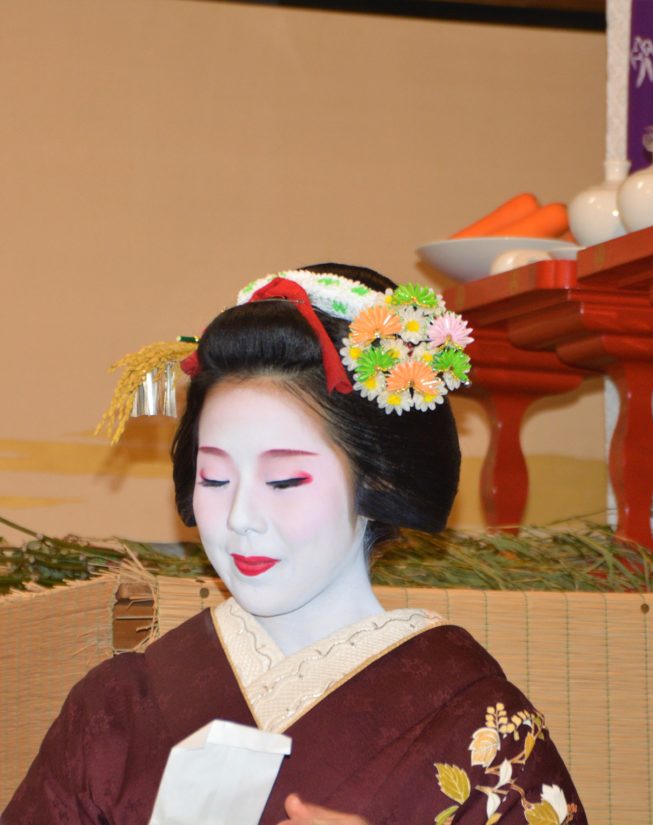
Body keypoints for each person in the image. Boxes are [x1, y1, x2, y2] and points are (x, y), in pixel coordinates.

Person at [2, 264, 585, 825]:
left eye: (285, 480)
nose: (240, 518)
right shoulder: (118, 706)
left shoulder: (479, 726)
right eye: (214, 478)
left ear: (376, 479)